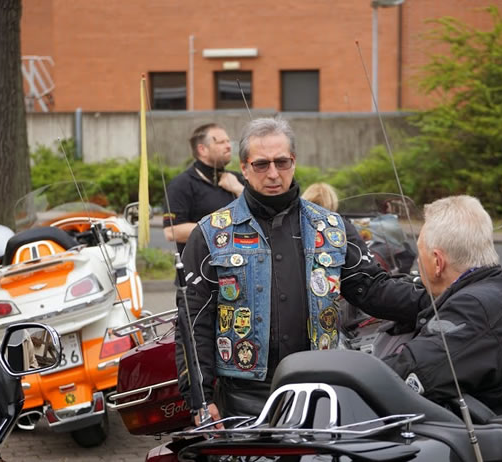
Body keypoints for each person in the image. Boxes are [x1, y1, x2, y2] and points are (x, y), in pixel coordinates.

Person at [175, 117, 427, 423]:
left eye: (282, 162)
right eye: (261, 164)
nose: (273, 173)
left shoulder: (331, 228)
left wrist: (439, 298)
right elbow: (193, 319)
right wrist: (200, 399)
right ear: (243, 168)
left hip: (319, 388)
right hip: (245, 397)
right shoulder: (211, 233)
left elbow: (372, 289)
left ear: (293, 162)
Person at [384, 195, 502, 461]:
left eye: (420, 253)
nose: (418, 261)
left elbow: (404, 375)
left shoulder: (472, 310)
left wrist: (350, 375)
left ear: (437, 262)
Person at [163, 123, 245, 254]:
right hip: (200, 264)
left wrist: (239, 189)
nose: (228, 146)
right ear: (202, 149)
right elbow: (172, 232)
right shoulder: (181, 184)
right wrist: (225, 228)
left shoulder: (238, 180)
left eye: (228, 141)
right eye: (221, 142)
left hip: (239, 263)